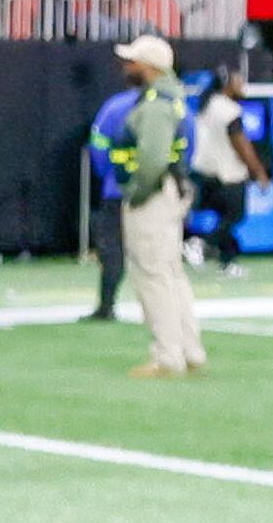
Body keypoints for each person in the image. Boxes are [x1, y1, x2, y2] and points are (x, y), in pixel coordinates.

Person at [115, 35, 202, 377]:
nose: (126, 67)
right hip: (172, 189)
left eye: (133, 61)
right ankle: (188, 348)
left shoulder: (155, 104)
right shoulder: (173, 96)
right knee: (170, 273)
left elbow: (151, 159)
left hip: (154, 194)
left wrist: (136, 191)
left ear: (149, 67)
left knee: (151, 274)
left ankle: (167, 354)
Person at [187, 62, 266, 274]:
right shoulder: (229, 110)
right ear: (228, 84)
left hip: (202, 171)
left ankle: (227, 261)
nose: (243, 84)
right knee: (235, 216)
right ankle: (200, 243)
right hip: (227, 173)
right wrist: (258, 171)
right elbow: (241, 145)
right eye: (238, 80)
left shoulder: (207, 105)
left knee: (224, 220)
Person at [84, 77, 142, 321]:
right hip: (156, 191)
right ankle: (165, 314)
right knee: (159, 256)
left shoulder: (115, 107)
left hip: (117, 189)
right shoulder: (170, 106)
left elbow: (97, 145)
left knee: (112, 250)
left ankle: (106, 305)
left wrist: (108, 174)